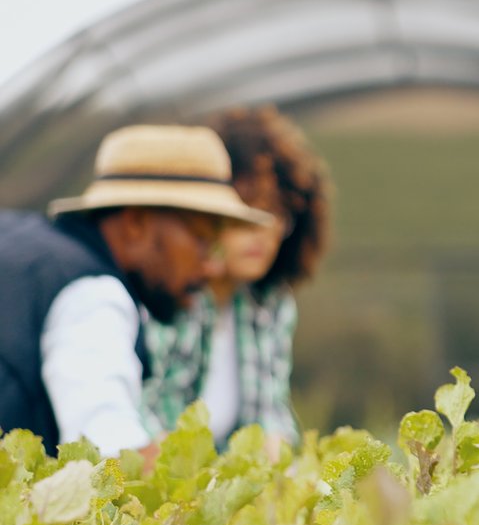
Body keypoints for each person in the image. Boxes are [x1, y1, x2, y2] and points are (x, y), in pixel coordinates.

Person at [0, 125, 277, 458]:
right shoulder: (94, 295)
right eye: (202, 239)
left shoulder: (19, 241)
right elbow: (110, 446)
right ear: (136, 224)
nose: (210, 267)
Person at [142, 106, 332, 449]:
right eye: (247, 215)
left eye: (278, 215)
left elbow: (270, 413)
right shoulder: (165, 297)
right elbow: (145, 418)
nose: (264, 233)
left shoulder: (269, 303)